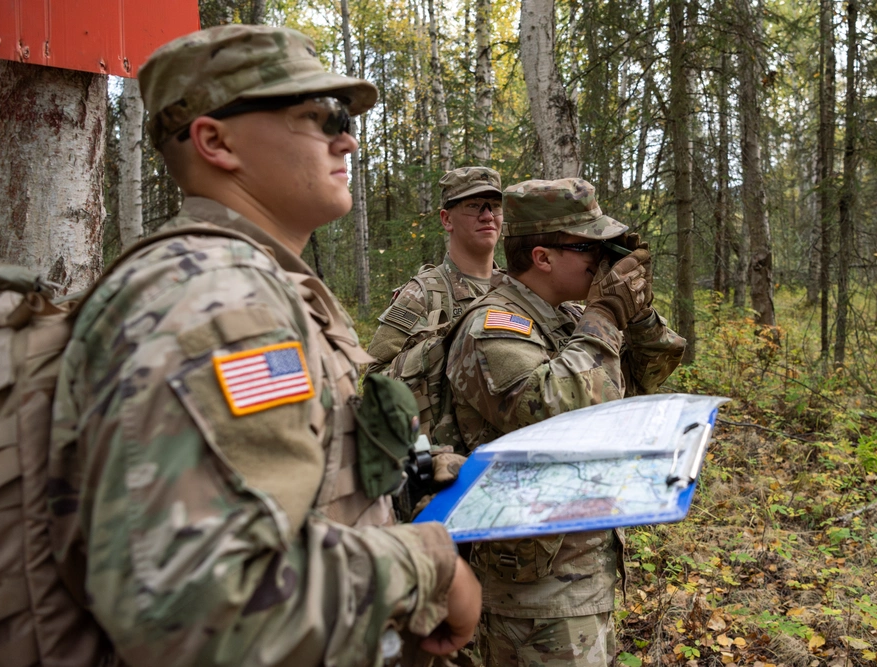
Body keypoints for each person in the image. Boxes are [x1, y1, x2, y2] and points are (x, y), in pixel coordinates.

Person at [47, 24, 480, 667]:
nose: (347, 138)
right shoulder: (222, 302)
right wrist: (429, 568)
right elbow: (195, 607)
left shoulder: (252, 286)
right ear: (216, 142)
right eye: (320, 116)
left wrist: (409, 472)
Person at [445, 178, 686, 667]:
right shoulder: (492, 326)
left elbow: (648, 373)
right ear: (543, 257)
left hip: (578, 572)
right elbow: (557, 408)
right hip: (532, 591)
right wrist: (605, 314)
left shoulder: (568, 316)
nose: (602, 262)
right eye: (589, 248)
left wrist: (634, 310)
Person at [367, 167, 503, 440]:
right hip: (448, 455)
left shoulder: (514, 290)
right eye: (474, 206)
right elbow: (375, 381)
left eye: (494, 206)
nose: (487, 216)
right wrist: (442, 353)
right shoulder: (423, 293)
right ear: (446, 219)